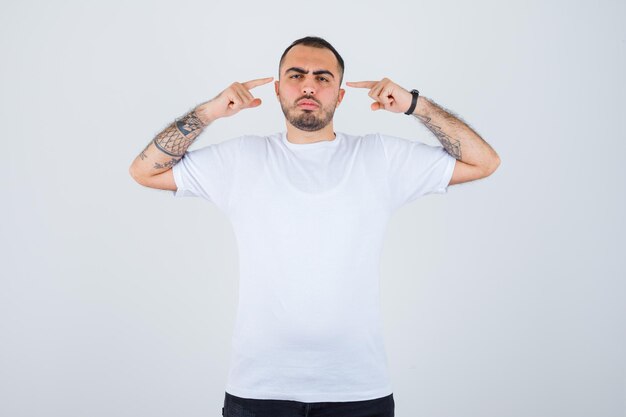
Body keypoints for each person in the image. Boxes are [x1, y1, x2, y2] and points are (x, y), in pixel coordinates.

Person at [129, 36, 500, 417]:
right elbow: (144, 171)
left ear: (340, 96)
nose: (309, 85)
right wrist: (208, 113)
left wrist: (415, 106)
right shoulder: (242, 159)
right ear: (277, 90)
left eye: (323, 78)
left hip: (358, 390)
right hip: (258, 390)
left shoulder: (380, 157)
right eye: (296, 75)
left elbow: (483, 162)